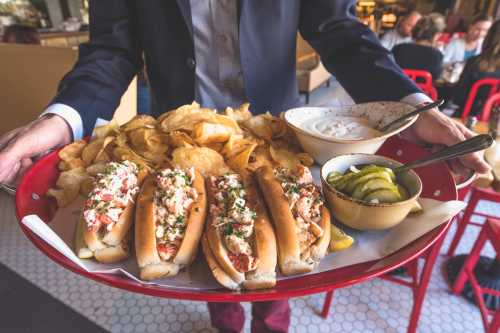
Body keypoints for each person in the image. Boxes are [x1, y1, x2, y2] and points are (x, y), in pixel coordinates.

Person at [0, 1, 490, 332]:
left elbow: (337, 26)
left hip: (274, 136)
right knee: (210, 277)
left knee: (279, 279)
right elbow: (111, 48)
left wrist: (411, 107)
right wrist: (60, 120)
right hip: (180, 138)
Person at [451, 20, 500, 118]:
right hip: (494, 122)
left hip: (466, 117)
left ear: (488, 37)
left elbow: (457, 98)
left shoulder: (473, 62)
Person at [393, 14, 446, 80]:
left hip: (395, 88)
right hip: (419, 90)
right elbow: (436, 77)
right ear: (436, 35)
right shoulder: (437, 56)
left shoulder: (399, 49)